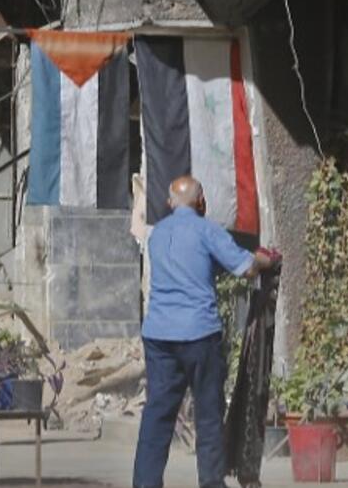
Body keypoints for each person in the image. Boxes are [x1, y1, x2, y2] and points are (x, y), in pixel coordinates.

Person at [133, 175, 281, 488]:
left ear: (170, 204)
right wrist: (265, 260)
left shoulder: (157, 235)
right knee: (209, 415)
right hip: (199, 335)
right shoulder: (207, 230)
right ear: (202, 203)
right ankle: (212, 483)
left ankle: (145, 483)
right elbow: (246, 268)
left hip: (158, 336)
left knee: (157, 413)